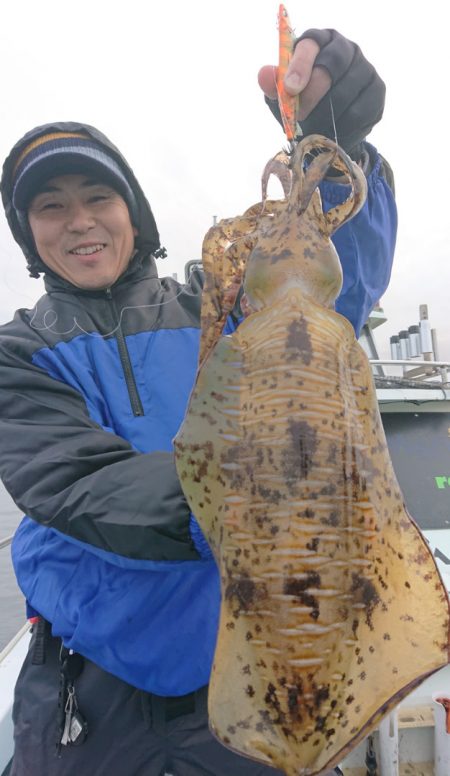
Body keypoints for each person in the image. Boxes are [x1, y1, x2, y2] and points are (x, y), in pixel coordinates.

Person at [0, 27, 396, 776]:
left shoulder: (218, 305)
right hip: (91, 697)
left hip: (249, 662)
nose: (79, 220)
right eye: (51, 207)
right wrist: (248, 500)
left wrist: (338, 144)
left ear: (133, 212)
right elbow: (77, 483)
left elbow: (333, 282)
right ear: (28, 233)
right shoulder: (17, 352)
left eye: (97, 197)